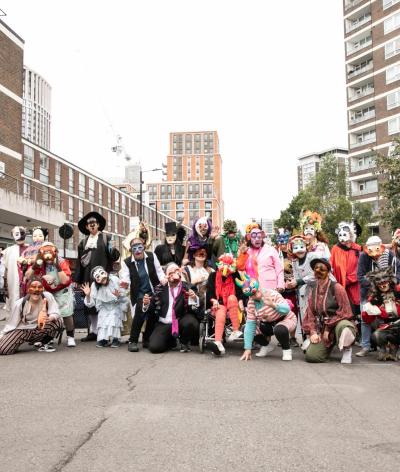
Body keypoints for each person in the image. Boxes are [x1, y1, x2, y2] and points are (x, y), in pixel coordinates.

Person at [73, 212, 120, 342]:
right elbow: (79, 262)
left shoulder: (106, 239)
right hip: (87, 277)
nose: (92, 225)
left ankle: (104, 331)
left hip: (103, 278)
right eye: (89, 224)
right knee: (90, 306)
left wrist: (114, 249)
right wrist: (77, 279)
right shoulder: (83, 243)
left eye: (94, 223)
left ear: (98, 225)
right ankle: (93, 331)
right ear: (87, 227)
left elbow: (114, 257)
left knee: (104, 303)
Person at [302, 258, 356, 364]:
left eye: (322, 269)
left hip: (338, 323)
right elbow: (310, 314)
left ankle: (347, 349)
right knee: (312, 357)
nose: (318, 271)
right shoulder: (313, 290)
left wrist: (328, 328)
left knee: (344, 326)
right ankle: (328, 347)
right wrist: (313, 332)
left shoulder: (337, 288)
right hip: (322, 328)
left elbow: (345, 312)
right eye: (316, 268)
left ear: (328, 272)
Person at [119, 237, 166, 352]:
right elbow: (125, 278)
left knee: (154, 311)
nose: (137, 250)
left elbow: (159, 271)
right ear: (131, 250)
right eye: (134, 248)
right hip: (139, 294)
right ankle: (133, 340)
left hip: (154, 291)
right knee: (141, 309)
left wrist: (163, 279)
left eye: (140, 247)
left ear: (144, 247)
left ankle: (147, 338)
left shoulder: (151, 256)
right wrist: (124, 283)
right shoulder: (127, 263)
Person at [239, 274, 297, 362]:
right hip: (268, 325)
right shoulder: (251, 303)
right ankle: (266, 346)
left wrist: (273, 305)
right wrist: (247, 349)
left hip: (286, 319)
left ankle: (286, 350)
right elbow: (250, 325)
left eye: (257, 291)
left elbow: (287, 309)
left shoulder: (272, 293)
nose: (257, 295)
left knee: (280, 329)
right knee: (245, 328)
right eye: (253, 294)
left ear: (259, 287)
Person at [30, 242, 76, 347]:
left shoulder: (61, 261)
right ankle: (48, 337)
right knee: (47, 314)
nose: (48, 256)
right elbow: (28, 276)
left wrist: (57, 266)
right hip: (48, 292)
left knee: (66, 314)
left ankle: (70, 337)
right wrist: (34, 266)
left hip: (62, 291)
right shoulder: (41, 262)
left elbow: (65, 280)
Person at [147, 263, 200, 354]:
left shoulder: (188, 287)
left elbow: (197, 306)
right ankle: (170, 341)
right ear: (166, 275)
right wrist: (146, 303)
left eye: (176, 271)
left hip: (180, 320)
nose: (173, 274)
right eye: (170, 272)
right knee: (154, 347)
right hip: (164, 322)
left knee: (191, 322)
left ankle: (184, 342)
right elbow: (152, 306)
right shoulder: (160, 288)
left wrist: (194, 298)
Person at [0, 278, 62, 355]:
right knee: (3, 350)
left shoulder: (47, 296)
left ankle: (44, 342)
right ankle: (15, 343)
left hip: (40, 328)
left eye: (39, 287)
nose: (36, 290)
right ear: (28, 289)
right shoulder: (20, 304)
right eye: (33, 287)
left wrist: (51, 317)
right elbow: (12, 324)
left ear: (42, 289)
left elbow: (55, 311)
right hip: (23, 330)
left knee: (58, 321)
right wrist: (3, 335)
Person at [285, 235, 324, 344]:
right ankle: (308, 338)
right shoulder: (295, 262)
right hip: (305, 292)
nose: (299, 250)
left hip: (319, 288)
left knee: (318, 313)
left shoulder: (313, 257)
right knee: (305, 314)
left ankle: (320, 338)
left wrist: (298, 282)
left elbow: (317, 274)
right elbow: (297, 277)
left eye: (301, 246)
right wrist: (292, 283)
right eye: (295, 248)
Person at [356, 235, 390, 357]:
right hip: (367, 293)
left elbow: (395, 272)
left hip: (385, 293)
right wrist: (375, 284)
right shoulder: (363, 256)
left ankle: (383, 347)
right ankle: (365, 346)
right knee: (365, 319)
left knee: (383, 319)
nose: (375, 255)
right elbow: (360, 276)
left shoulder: (389, 255)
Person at [206, 253, 245, 355]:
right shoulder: (213, 276)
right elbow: (209, 293)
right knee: (221, 311)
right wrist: (214, 301)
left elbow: (240, 292)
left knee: (232, 298)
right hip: (218, 304)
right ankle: (218, 342)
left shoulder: (235, 275)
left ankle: (235, 331)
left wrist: (241, 301)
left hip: (233, 305)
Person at [82, 266, 129, 348]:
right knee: (103, 320)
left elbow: (123, 293)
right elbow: (91, 303)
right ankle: (104, 339)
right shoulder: (94, 286)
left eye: (103, 276)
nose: (104, 280)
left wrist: (119, 296)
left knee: (114, 318)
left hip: (115, 304)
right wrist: (88, 295)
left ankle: (116, 339)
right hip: (104, 306)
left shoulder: (114, 279)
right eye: (99, 277)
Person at [362, 267, 400, 361]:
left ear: (390, 279)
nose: (382, 281)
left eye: (385, 278)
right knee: (376, 335)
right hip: (385, 326)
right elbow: (367, 320)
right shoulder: (374, 298)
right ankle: (383, 349)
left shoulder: (398, 292)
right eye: (378, 279)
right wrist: (367, 312)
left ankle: (395, 349)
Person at [236, 225, 284, 292]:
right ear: (249, 237)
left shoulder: (271, 250)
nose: (257, 239)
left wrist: (280, 285)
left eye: (259, 237)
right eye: (254, 237)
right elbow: (240, 267)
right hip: (253, 291)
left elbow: (279, 269)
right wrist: (242, 254)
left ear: (262, 236)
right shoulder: (247, 252)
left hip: (270, 290)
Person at [330, 221, 361, 316]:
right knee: (343, 310)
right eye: (340, 234)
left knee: (357, 310)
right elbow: (331, 266)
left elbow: (361, 268)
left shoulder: (358, 249)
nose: (342, 238)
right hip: (340, 286)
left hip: (355, 286)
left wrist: (349, 279)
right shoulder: (335, 249)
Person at [2, 226, 29, 321]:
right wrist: (5, 287)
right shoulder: (9, 251)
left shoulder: (31, 249)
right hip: (13, 283)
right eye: (17, 234)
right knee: (15, 305)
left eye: (22, 233)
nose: (20, 237)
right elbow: (6, 269)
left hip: (28, 283)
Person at [181, 247, 214, 312]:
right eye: (198, 251)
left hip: (208, 305)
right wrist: (195, 281)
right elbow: (183, 286)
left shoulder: (211, 271)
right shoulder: (186, 270)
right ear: (193, 255)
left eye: (204, 251)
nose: (201, 253)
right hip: (192, 306)